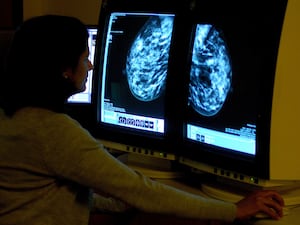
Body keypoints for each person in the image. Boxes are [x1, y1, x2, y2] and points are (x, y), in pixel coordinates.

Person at [0, 15, 284, 225]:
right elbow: (141, 191)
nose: (91, 65)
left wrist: (113, 206)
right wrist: (235, 211)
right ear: (63, 69)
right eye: (85, 57)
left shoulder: (13, 116)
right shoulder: (54, 132)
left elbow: (47, 193)